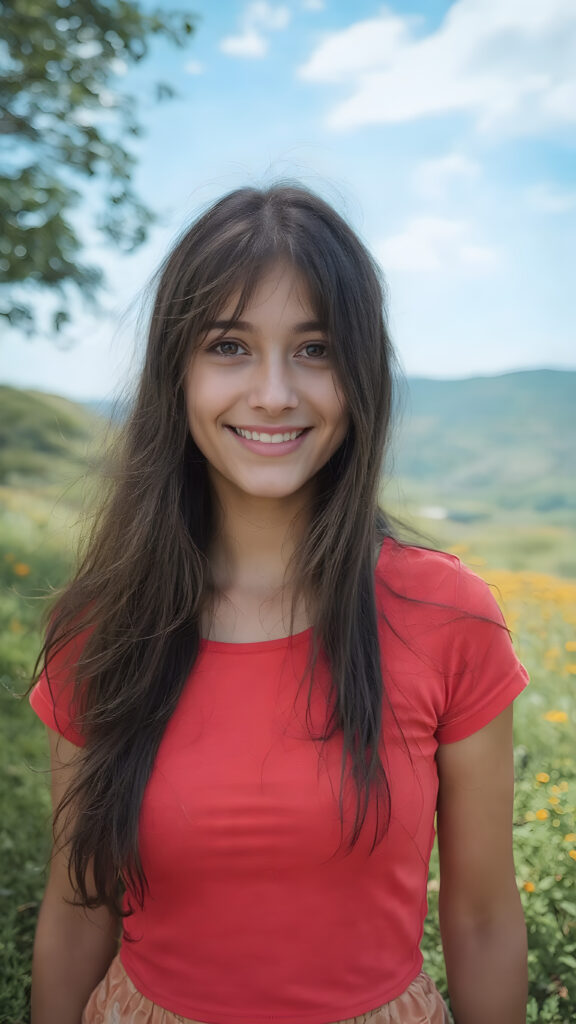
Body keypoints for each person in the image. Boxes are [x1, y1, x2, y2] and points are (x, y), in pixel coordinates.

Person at [29, 183, 529, 1024]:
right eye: (229, 345)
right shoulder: (101, 628)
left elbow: (482, 920)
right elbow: (79, 909)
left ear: (360, 375)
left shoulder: (449, 614)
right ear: (175, 371)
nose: (272, 393)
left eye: (315, 349)